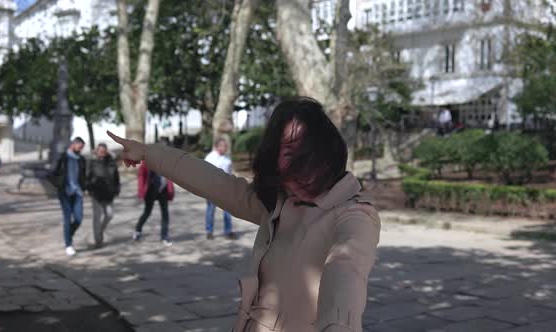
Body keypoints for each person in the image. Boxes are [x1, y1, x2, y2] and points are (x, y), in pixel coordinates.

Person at [108, 96, 381, 331]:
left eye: (305, 150)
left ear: (328, 152)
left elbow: (347, 271)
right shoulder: (278, 203)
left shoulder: (355, 215)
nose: (296, 163)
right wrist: (148, 153)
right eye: (286, 151)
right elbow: (215, 182)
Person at [51, 137, 86, 256]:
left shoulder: (81, 159)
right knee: (67, 219)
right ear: (73, 144)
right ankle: (68, 245)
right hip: (64, 193)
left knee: (78, 218)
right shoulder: (63, 157)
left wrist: (84, 187)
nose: (80, 150)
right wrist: (58, 185)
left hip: (78, 193)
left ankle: (68, 235)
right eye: (79, 147)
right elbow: (53, 173)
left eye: (82, 148)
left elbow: (83, 176)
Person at [133, 160, 175, 246]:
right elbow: (141, 176)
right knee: (147, 212)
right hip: (150, 190)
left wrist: (171, 190)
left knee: (165, 214)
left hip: (163, 190)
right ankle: (138, 230)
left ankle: (164, 237)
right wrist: (141, 192)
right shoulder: (146, 162)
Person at [87, 143, 120, 248]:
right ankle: (98, 240)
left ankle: (100, 231)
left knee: (110, 214)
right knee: (97, 217)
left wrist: (117, 189)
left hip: (109, 193)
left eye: (104, 151)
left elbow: (116, 177)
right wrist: (90, 189)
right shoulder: (92, 162)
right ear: (96, 151)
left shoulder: (111, 162)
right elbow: (87, 177)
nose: (102, 153)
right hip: (96, 194)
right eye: (100, 151)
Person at [204, 138, 237, 240]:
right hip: (212, 189)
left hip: (225, 189)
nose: (225, 148)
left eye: (226, 146)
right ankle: (209, 231)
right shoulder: (210, 158)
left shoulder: (227, 158)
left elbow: (230, 172)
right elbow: (204, 173)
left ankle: (228, 231)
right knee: (210, 210)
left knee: (227, 211)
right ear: (217, 146)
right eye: (223, 146)